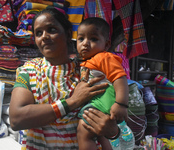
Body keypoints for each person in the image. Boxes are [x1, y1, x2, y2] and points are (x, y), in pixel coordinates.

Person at [9, 8, 120, 150]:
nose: (44, 36)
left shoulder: (88, 72)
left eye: (52, 29)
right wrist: (72, 102)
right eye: (38, 33)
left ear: (68, 35)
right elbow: (17, 119)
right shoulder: (29, 71)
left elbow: (107, 115)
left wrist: (113, 131)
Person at [76, 17, 129, 150]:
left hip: (105, 103)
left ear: (106, 44)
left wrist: (121, 104)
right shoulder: (88, 60)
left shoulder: (104, 57)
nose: (85, 43)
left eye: (93, 39)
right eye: (81, 39)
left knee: (83, 130)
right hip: (100, 103)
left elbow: (120, 79)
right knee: (102, 135)